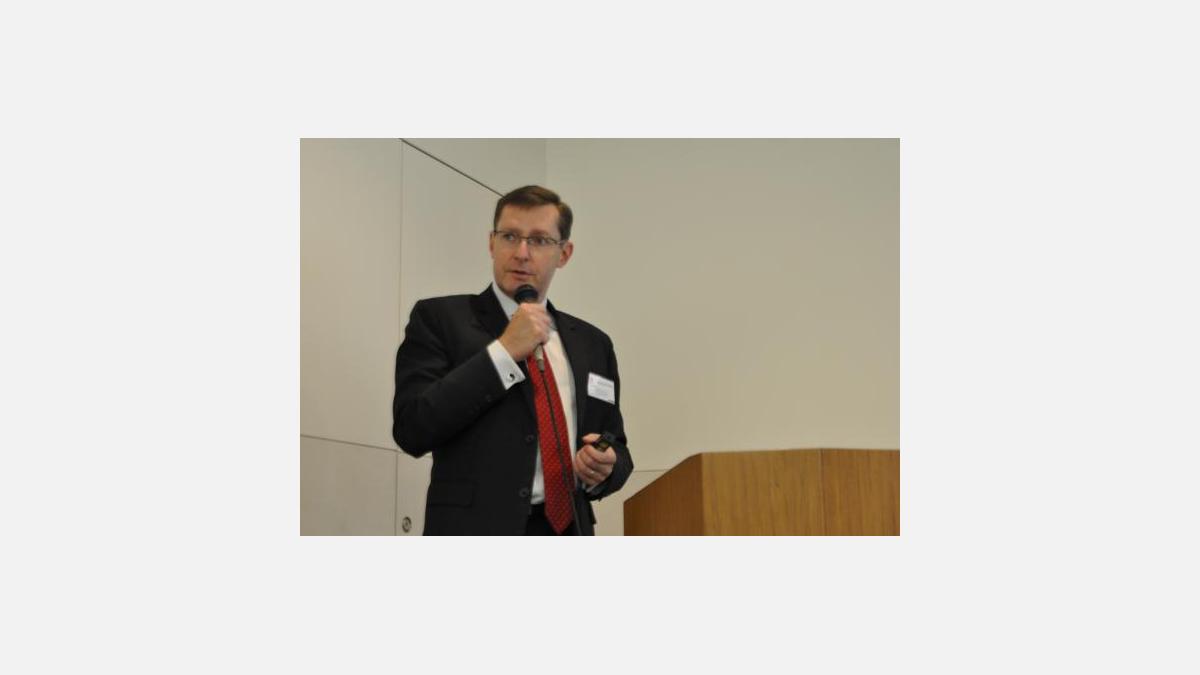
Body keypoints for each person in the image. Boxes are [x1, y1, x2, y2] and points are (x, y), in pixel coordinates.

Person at [392, 185, 634, 535]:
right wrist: (503, 352)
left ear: (564, 253)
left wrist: (606, 468)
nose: (521, 253)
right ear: (492, 243)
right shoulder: (440, 319)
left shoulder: (593, 344)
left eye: (539, 240)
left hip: (567, 531)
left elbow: (616, 443)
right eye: (509, 236)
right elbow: (412, 428)